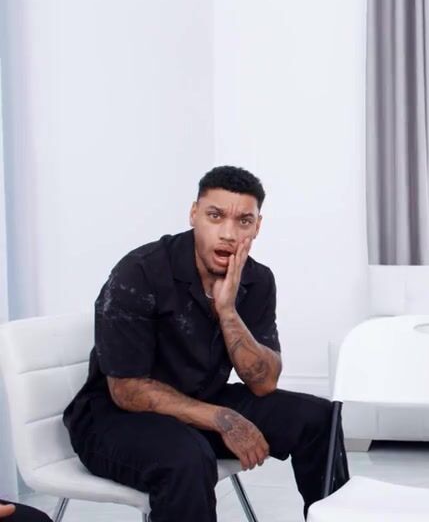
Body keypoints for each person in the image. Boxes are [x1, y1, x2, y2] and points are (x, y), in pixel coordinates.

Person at [62, 166, 340, 522]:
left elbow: (264, 382)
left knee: (319, 418)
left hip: (199, 401)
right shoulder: (140, 272)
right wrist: (221, 418)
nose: (228, 233)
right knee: (187, 458)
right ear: (194, 214)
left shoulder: (257, 280)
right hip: (115, 419)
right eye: (215, 216)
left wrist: (227, 311)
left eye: (243, 221)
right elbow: (126, 390)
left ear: (257, 227)